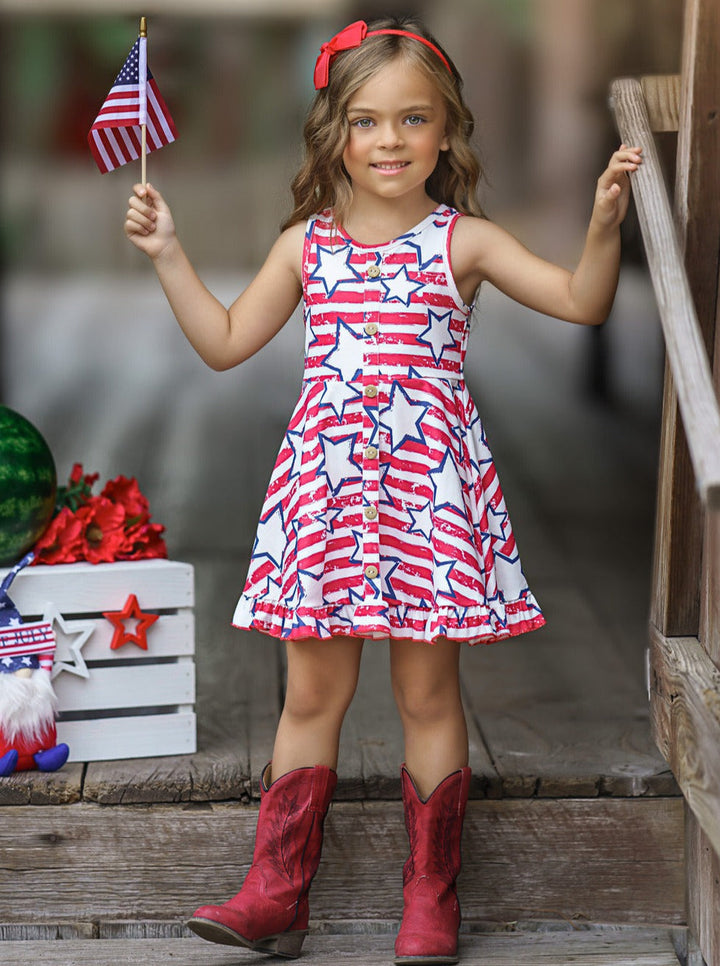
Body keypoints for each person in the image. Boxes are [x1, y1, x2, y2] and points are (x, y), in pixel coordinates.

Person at [124, 16, 642, 965]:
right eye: (368, 121)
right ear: (336, 133)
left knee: (427, 693)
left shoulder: (466, 242)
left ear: (447, 132)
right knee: (311, 694)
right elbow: (227, 342)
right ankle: (277, 891)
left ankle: (430, 899)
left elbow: (583, 301)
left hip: (428, 499)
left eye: (413, 119)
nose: (391, 140)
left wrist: (606, 223)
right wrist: (169, 256)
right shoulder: (304, 248)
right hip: (324, 497)